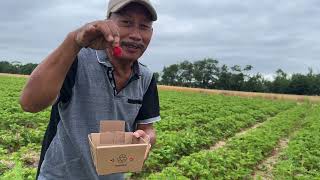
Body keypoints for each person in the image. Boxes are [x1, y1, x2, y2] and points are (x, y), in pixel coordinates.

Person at [19, 0, 160, 179]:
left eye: (144, 26)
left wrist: (146, 139)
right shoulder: (76, 61)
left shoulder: (146, 77)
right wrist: (74, 41)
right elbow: (30, 103)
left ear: (151, 33)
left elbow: (147, 127)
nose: (135, 35)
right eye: (126, 22)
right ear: (108, 22)